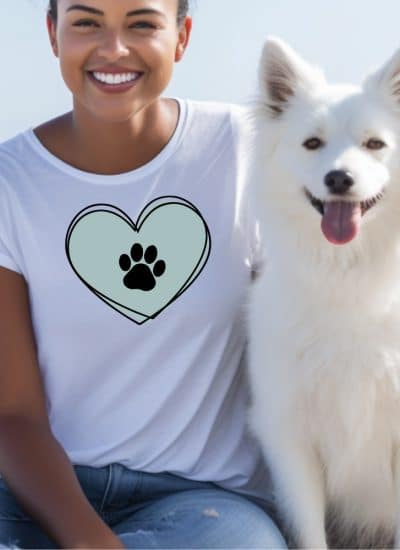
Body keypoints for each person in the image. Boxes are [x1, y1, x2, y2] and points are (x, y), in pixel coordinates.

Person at [0, 0, 287, 548]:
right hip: (40, 493)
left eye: (142, 24)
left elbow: (311, 325)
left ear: (181, 38)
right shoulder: (9, 183)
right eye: (86, 23)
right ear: (53, 35)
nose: (113, 50)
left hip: (207, 505)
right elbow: (12, 412)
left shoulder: (244, 148)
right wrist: (87, 539)